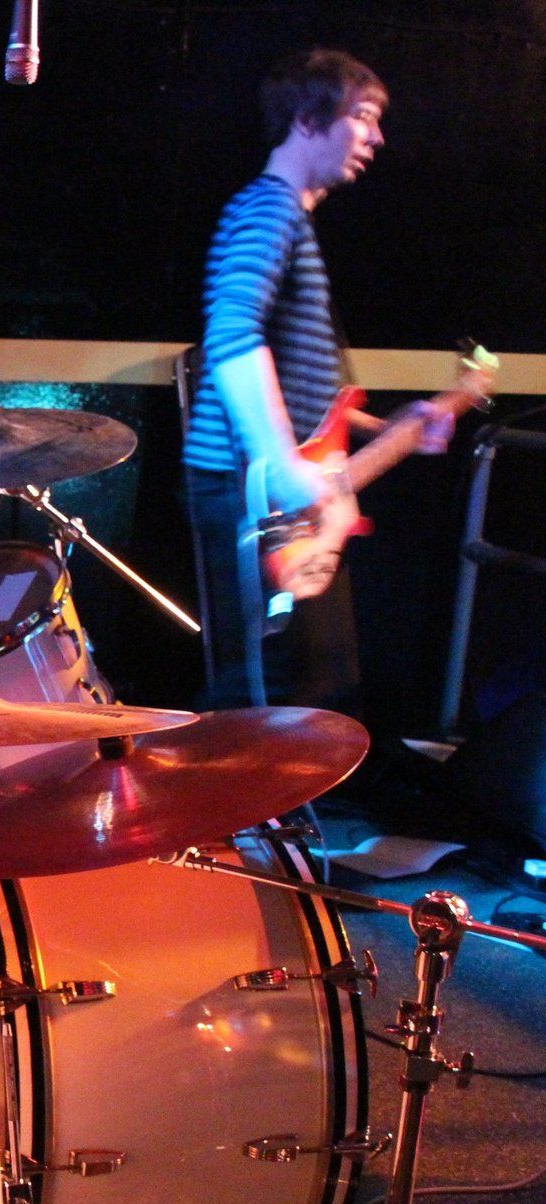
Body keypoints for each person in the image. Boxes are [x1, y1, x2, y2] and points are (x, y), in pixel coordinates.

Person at [183, 49, 452, 712]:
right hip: (249, 489)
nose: (376, 136)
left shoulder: (289, 219)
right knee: (268, 691)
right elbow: (230, 335)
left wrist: (391, 427)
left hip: (274, 489)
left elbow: (306, 394)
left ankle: (264, 815)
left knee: (312, 684)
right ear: (307, 118)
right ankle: (239, 816)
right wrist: (278, 460)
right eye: (362, 116)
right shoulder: (267, 212)